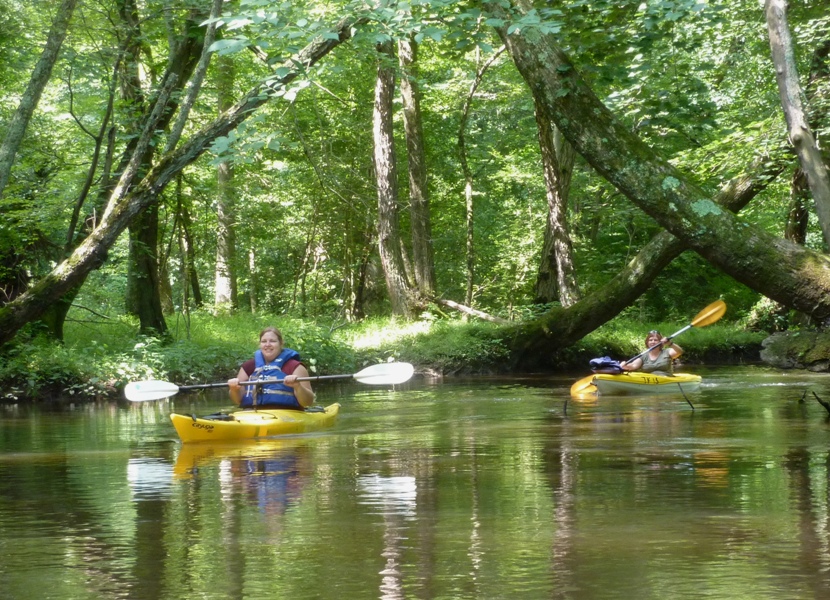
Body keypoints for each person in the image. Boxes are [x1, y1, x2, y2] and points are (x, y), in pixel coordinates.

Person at [228, 327, 315, 409]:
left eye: (272, 341)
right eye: (264, 341)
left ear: (281, 343)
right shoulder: (248, 366)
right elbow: (237, 400)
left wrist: (298, 386)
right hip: (252, 413)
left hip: (287, 413)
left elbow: (307, 402)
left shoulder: (295, 367)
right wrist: (234, 389)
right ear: (260, 344)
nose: (268, 345)